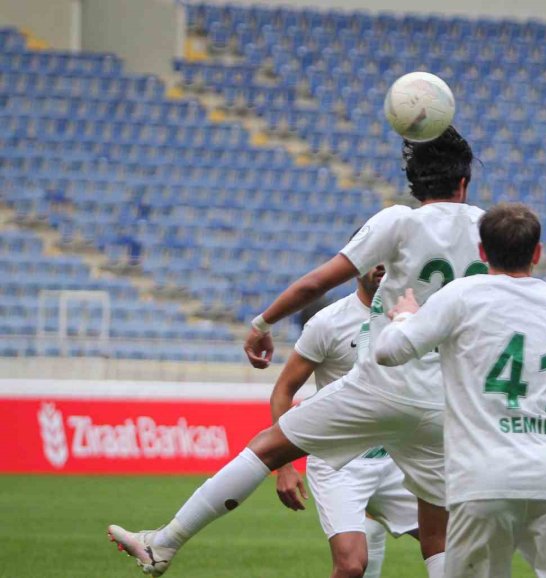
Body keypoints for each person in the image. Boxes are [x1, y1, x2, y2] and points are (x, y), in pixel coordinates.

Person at [107, 127, 484, 577]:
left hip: (383, 383)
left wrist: (262, 324)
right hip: (444, 402)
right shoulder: (487, 227)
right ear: (464, 184)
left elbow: (315, 284)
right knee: (438, 537)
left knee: (268, 448)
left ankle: (163, 544)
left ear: (413, 184)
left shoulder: (397, 221)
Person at [373, 203, 546, 578]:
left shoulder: (461, 296)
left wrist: (404, 316)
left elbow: (387, 351)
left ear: (481, 252)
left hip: (481, 481)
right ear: (538, 253)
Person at [272, 262, 420, 578]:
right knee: (352, 566)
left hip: (396, 459)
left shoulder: (410, 317)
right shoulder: (328, 323)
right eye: (373, 258)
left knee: (454, 543)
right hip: (342, 463)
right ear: (357, 266)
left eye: (388, 258)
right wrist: (284, 466)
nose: (381, 265)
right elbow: (282, 391)